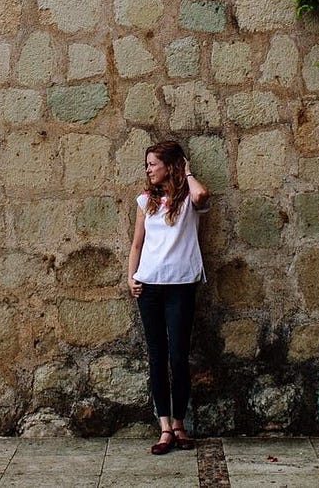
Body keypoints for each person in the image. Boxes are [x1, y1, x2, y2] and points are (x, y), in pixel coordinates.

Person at [128, 139, 210, 455]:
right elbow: (137, 244)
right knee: (157, 357)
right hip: (148, 287)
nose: (148, 170)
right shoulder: (145, 201)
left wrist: (186, 171)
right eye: (147, 165)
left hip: (181, 285)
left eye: (153, 164)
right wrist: (131, 277)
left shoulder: (189, 199)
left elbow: (202, 195)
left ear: (170, 166)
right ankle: (164, 427)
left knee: (178, 356)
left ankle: (179, 424)